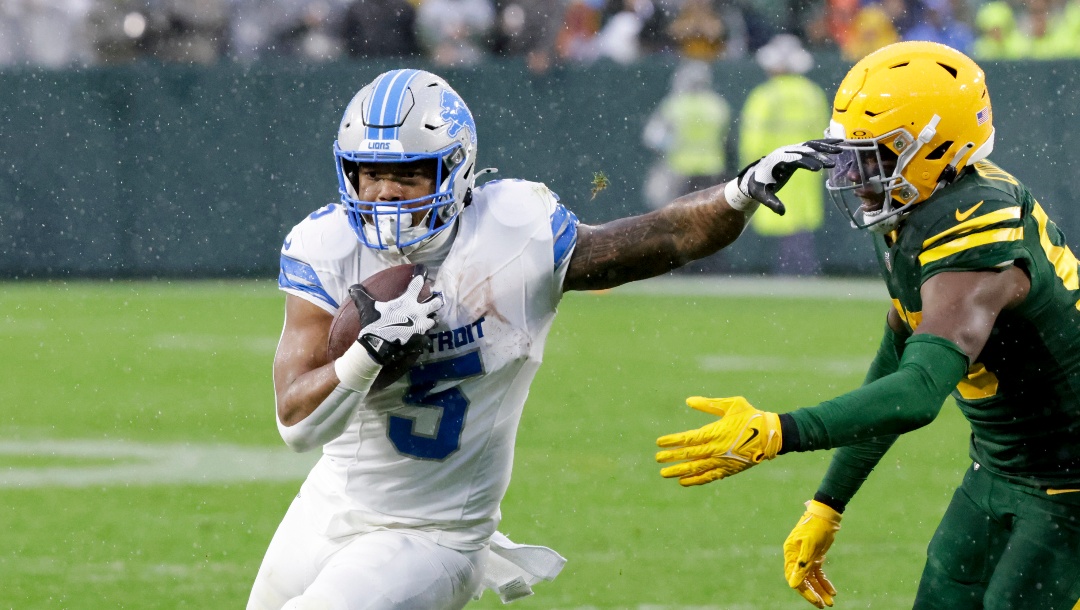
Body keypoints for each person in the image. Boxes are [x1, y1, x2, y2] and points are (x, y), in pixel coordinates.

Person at [248, 68, 838, 610]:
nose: (384, 192)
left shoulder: (513, 232)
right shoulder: (326, 246)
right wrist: (367, 354)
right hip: (327, 507)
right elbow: (297, 425)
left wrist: (736, 193)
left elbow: (660, 238)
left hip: (434, 533)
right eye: (370, 172)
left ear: (454, 167)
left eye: (408, 173)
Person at [655, 41, 1080, 610]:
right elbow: (896, 357)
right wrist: (828, 501)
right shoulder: (919, 208)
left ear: (937, 150)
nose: (855, 175)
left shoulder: (977, 227)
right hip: (1001, 462)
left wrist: (783, 431)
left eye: (875, 157)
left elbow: (919, 391)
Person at [738, 34, 829, 275]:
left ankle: (789, 269)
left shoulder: (765, 95)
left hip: (774, 167)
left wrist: (751, 167)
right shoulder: (813, 94)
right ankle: (803, 268)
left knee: (780, 216)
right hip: (808, 168)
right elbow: (824, 133)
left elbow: (753, 136)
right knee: (800, 222)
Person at [642, 60, 732, 210]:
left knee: (683, 214)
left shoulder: (675, 105)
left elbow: (653, 137)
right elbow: (725, 138)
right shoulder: (718, 105)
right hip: (712, 169)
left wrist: (670, 145)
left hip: (681, 170)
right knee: (708, 214)